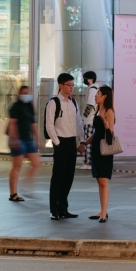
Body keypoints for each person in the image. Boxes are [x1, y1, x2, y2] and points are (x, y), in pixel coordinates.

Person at [44, 72, 83, 220]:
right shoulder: (54, 102)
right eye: (69, 85)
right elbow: (49, 125)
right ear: (61, 86)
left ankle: (63, 208)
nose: (72, 87)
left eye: (73, 85)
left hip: (72, 142)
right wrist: (57, 142)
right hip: (61, 142)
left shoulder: (73, 102)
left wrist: (82, 141)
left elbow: (78, 123)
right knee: (58, 177)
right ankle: (54, 209)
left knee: (69, 177)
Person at [6, 85, 40, 202]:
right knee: (16, 166)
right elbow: (12, 123)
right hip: (19, 139)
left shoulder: (30, 106)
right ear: (19, 94)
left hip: (28, 139)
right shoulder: (15, 106)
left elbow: (33, 124)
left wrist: (38, 139)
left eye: (27, 93)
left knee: (36, 163)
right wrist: (14, 138)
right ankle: (13, 194)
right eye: (23, 93)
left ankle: (26, 186)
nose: (26, 95)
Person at [87, 85, 115, 223]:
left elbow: (110, 134)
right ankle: (102, 210)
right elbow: (96, 133)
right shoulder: (98, 110)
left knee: (103, 181)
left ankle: (104, 213)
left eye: (98, 93)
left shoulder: (109, 111)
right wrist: (84, 143)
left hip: (105, 150)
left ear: (104, 96)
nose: (95, 95)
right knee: (99, 181)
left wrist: (105, 122)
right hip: (96, 148)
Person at [80, 70, 98, 167]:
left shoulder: (92, 89)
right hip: (92, 119)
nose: (84, 80)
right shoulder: (96, 88)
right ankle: (89, 162)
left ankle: (88, 163)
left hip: (90, 120)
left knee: (88, 142)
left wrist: (83, 118)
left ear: (90, 79)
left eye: (85, 79)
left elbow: (89, 106)